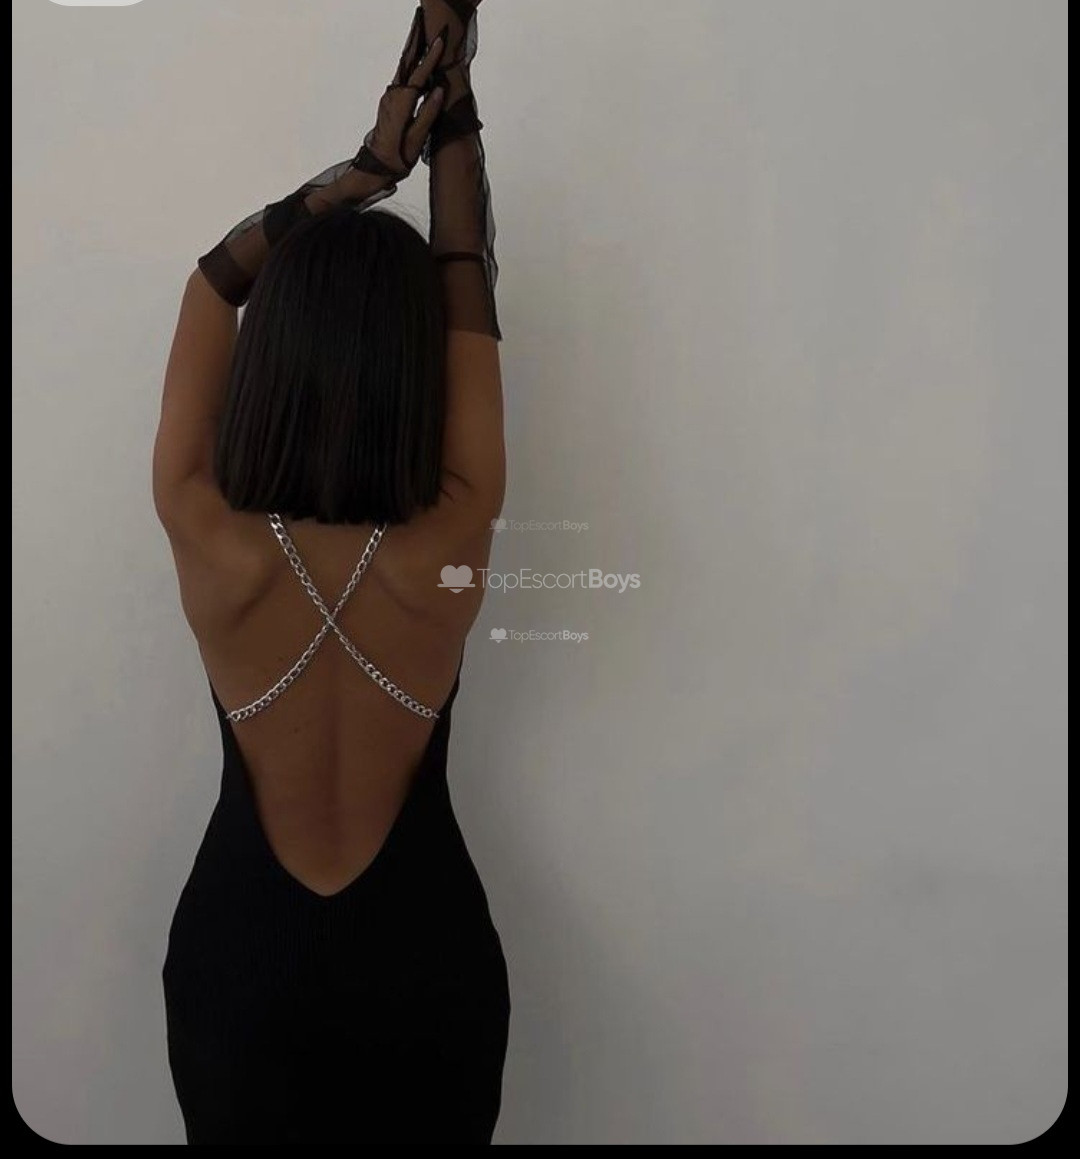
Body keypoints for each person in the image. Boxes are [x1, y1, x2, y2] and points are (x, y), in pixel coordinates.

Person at [152, 1, 509, 1144]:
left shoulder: (204, 529)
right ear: (420, 369)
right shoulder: (456, 527)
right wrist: (456, 125)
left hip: (238, 964)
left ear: (271, 357)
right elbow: (464, 270)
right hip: (427, 961)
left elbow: (211, 283)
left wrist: (361, 174)